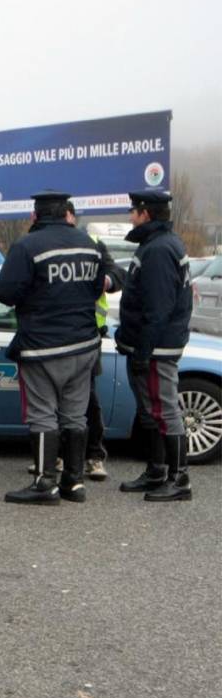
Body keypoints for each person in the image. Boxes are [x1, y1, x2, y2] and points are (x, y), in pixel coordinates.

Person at [0, 191, 104, 505]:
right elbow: (96, 289)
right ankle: (74, 482)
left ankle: (45, 484)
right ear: (65, 213)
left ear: (35, 215)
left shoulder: (28, 246)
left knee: (42, 416)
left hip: (44, 346)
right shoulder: (88, 244)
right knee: (75, 416)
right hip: (84, 344)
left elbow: (4, 292)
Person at [115, 189, 194, 502]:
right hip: (152, 344)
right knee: (152, 411)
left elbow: (158, 309)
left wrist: (143, 351)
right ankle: (157, 470)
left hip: (157, 348)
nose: (130, 216)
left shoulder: (159, 249)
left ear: (145, 213)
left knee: (165, 411)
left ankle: (180, 479)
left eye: (133, 211)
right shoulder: (157, 243)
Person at [67, 200, 125, 481]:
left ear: (70, 216)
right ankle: (54, 456)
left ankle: (94, 456)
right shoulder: (38, 242)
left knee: (88, 398)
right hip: (55, 334)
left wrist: (106, 281)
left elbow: (117, 275)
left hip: (89, 333)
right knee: (53, 400)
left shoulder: (93, 242)